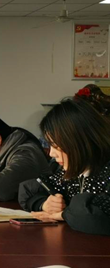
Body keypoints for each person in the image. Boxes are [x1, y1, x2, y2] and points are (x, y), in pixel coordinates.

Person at [19, 99, 110, 235]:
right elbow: (28, 189)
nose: (51, 153)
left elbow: (96, 216)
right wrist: (44, 204)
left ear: (79, 141)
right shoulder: (69, 170)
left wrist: (63, 214)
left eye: (56, 146)